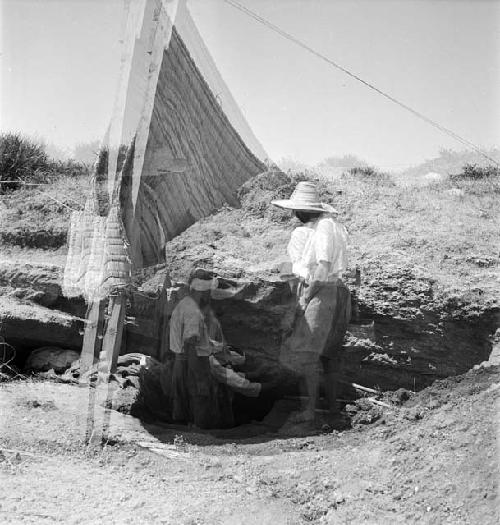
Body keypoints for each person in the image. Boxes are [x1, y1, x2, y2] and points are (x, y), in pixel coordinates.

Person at [272, 181, 351, 423]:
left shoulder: (325, 227)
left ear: (300, 211)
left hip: (322, 291)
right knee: (330, 355)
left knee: (308, 356)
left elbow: (323, 267)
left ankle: (310, 411)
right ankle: (333, 410)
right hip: (337, 291)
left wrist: (306, 298)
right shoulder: (334, 227)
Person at [169, 268, 263, 429]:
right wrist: (198, 373)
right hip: (193, 361)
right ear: (203, 292)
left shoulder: (185, 304)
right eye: (208, 293)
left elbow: (199, 341)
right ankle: (200, 435)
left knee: (188, 401)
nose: (209, 296)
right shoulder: (193, 312)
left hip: (185, 361)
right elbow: (191, 342)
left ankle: (193, 431)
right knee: (200, 397)